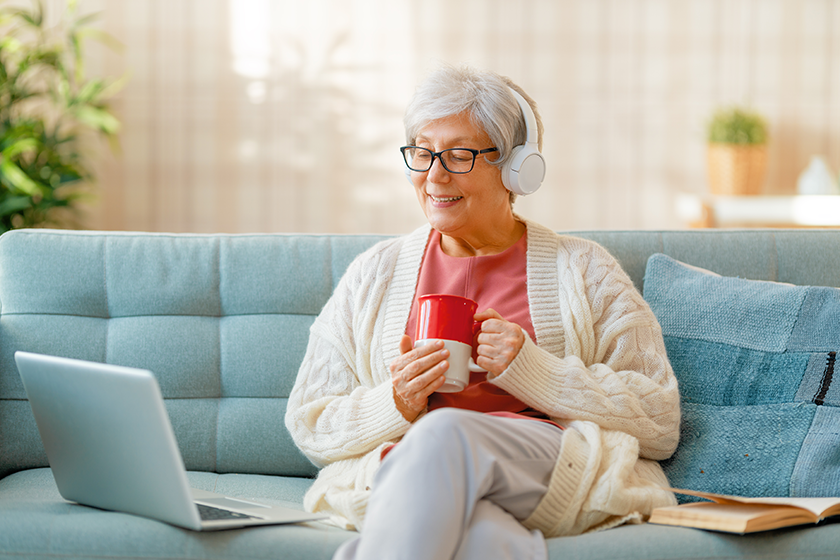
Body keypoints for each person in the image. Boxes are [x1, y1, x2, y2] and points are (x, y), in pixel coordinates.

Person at [284, 65, 681, 560]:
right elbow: (311, 421)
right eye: (423, 153)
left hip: (546, 461)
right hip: (407, 471)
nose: (434, 175)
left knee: (446, 433)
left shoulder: (584, 269)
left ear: (516, 168)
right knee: (482, 536)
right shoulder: (374, 274)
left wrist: (536, 370)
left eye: (458, 155)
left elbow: (659, 418)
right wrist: (397, 402)